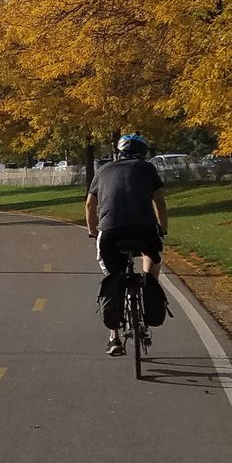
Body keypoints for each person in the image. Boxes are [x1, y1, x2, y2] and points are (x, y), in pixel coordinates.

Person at [86, 133, 169, 357]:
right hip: (144, 229)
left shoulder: (103, 170)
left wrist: (93, 231)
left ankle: (114, 337)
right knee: (152, 257)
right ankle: (149, 284)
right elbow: (159, 201)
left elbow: (89, 205)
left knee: (112, 276)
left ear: (119, 151)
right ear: (143, 153)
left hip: (111, 231)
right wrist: (163, 228)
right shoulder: (147, 169)